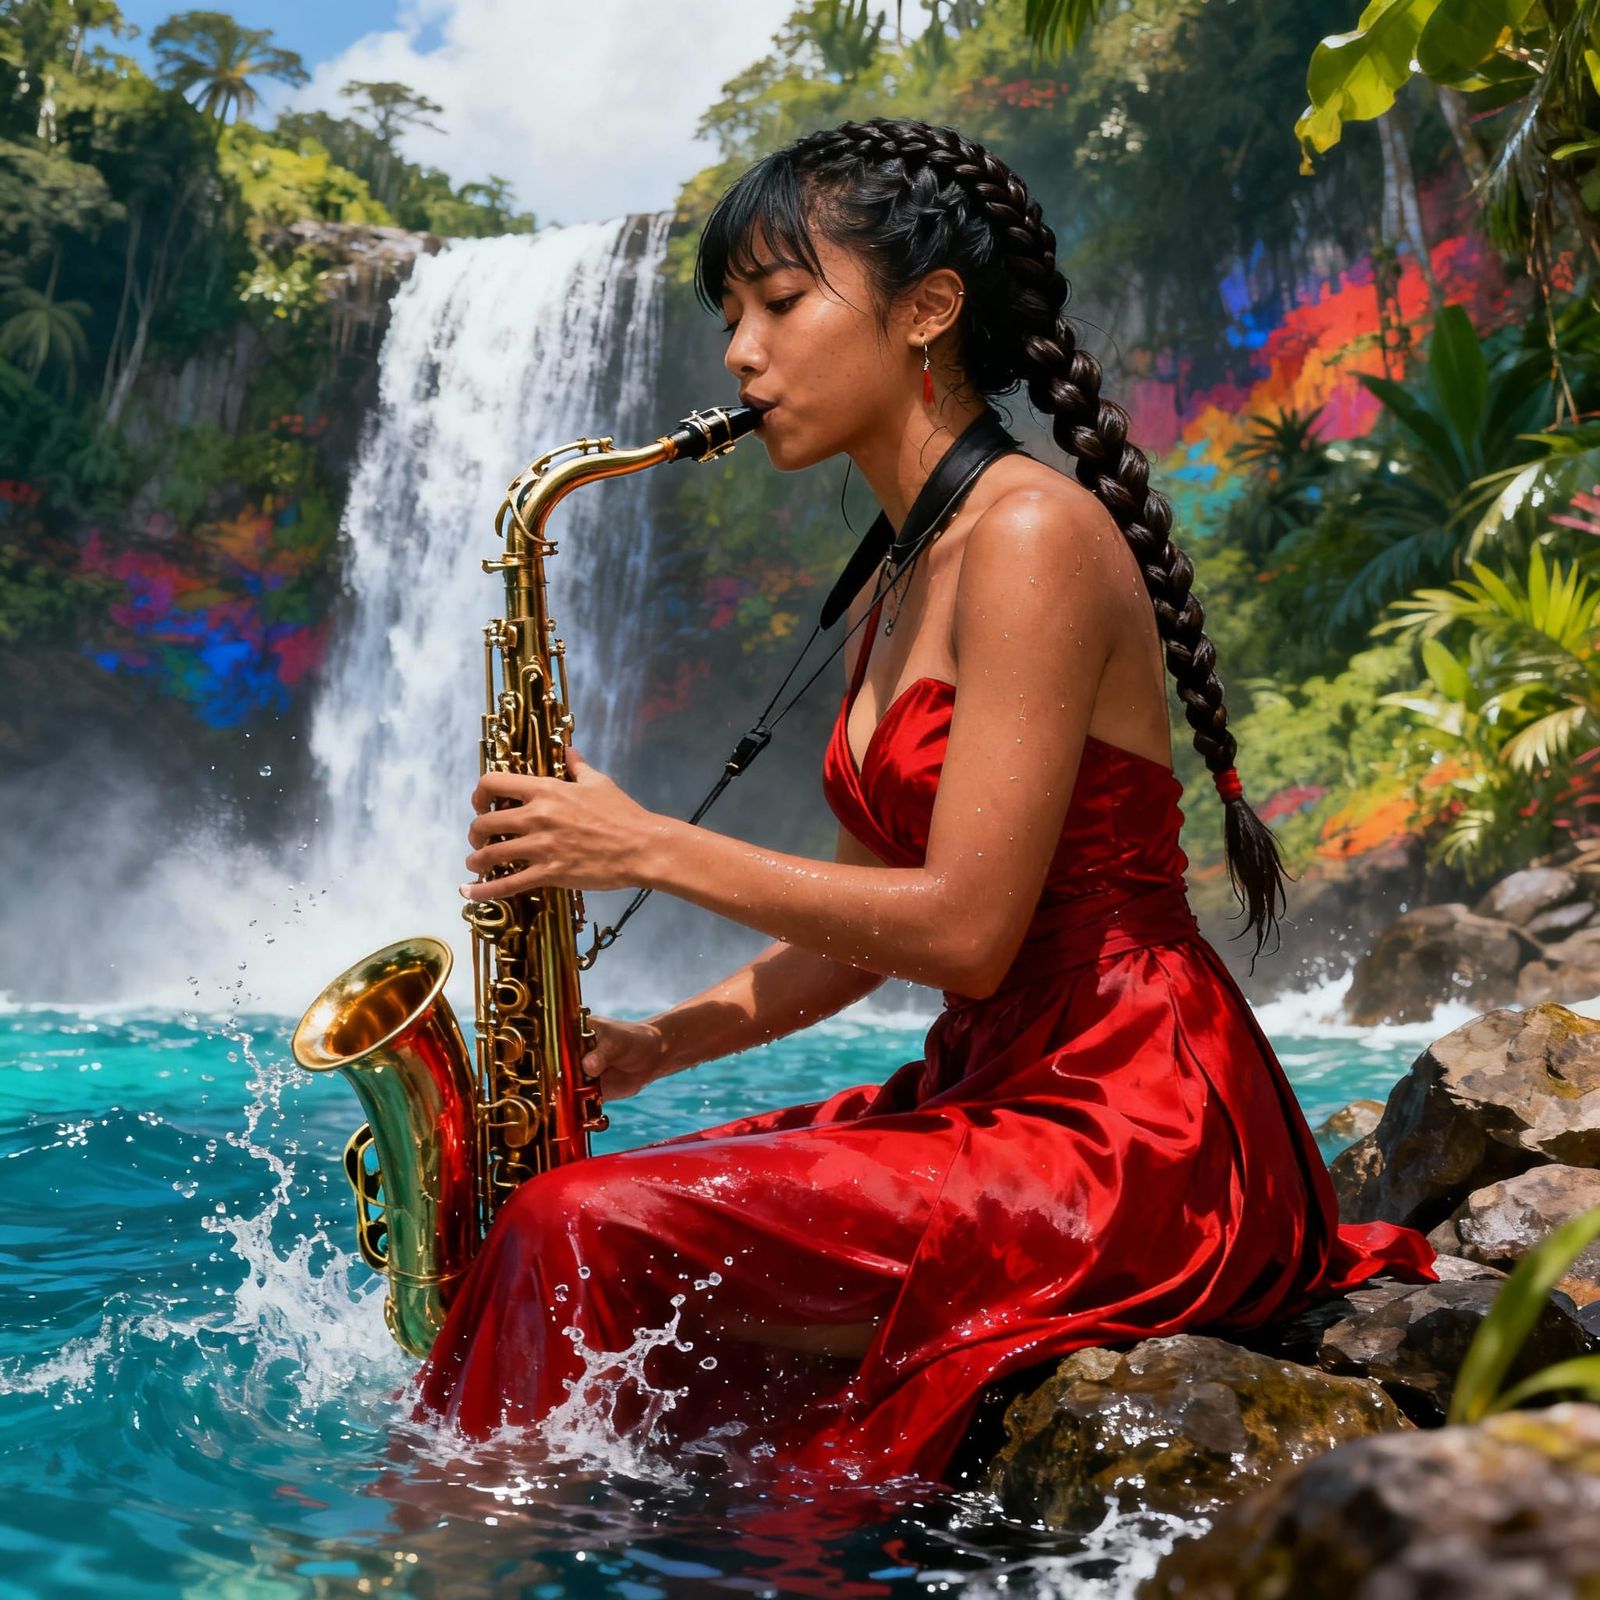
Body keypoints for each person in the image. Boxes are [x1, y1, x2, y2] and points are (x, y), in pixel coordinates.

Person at [413, 117, 1436, 1485]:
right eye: (730, 316)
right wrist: (657, 1042)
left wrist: (645, 844)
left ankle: (459, 1547)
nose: (741, 354)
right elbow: (857, 937)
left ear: (927, 311)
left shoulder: (1029, 534)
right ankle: (538, 1528)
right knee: (553, 1210)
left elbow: (963, 931)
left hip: (1134, 1126)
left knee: (577, 1231)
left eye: (781, 302)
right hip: (1004, 1085)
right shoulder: (901, 571)